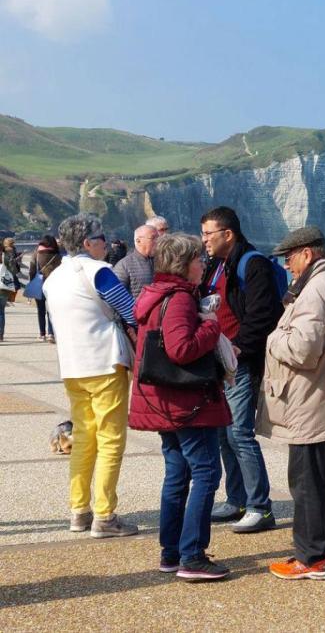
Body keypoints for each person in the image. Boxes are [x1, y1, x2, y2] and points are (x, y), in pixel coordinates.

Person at [129, 233, 232, 580]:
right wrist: (211, 328)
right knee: (205, 472)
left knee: (177, 473)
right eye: (197, 260)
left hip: (162, 400)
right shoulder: (181, 299)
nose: (202, 265)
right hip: (186, 402)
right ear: (183, 264)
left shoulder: (153, 295)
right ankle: (192, 555)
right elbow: (181, 349)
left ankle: (171, 552)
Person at [258, 226, 325, 580]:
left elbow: (303, 350)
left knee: (306, 481)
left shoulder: (314, 291)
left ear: (307, 253)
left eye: (289, 258)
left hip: (310, 401)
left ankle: (311, 557)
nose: (287, 266)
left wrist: (273, 339)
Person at [43, 214, 139, 538]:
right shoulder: (100, 271)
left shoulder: (52, 279)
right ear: (87, 243)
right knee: (111, 440)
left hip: (72, 367)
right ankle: (105, 515)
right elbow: (131, 311)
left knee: (83, 438)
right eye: (101, 238)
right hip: (105, 362)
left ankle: (78, 510)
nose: (105, 242)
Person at [200, 207, 282, 532]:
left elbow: (263, 314)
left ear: (227, 234)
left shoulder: (253, 264)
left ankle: (260, 507)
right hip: (218, 360)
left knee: (240, 433)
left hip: (239, 361)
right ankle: (236, 500)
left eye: (208, 233)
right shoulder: (216, 265)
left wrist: (238, 348)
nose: (204, 240)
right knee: (223, 433)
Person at [28, 234, 62, 342]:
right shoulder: (57, 254)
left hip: (39, 283)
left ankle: (42, 334)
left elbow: (32, 269)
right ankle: (51, 333)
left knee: (40, 310)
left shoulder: (37, 253)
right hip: (54, 285)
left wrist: (31, 282)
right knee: (51, 310)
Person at [113, 225, 159, 299]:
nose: (157, 241)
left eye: (158, 238)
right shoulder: (124, 265)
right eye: (153, 238)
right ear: (138, 241)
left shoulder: (161, 261)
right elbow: (116, 296)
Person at [0, 237, 22, 342]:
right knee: (1, 311)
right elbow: (13, 271)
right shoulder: (9, 254)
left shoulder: (6, 253)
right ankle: (0, 335)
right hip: (4, 286)